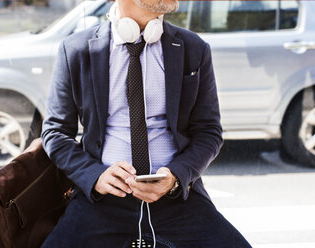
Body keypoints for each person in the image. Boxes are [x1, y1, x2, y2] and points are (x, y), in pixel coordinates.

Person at [41, 0, 252, 247]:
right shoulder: (75, 49)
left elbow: (209, 131)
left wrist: (175, 175)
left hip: (177, 196)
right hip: (102, 198)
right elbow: (55, 132)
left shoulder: (194, 48)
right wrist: (94, 176)